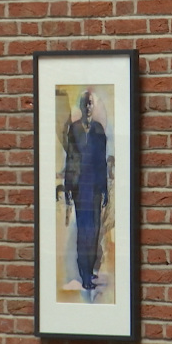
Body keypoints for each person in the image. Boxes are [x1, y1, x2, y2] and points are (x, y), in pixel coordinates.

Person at [64, 91, 108, 291]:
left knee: (95, 230)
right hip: (81, 187)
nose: (88, 107)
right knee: (84, 232)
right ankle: (84, 276)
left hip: (96, 187)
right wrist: (68, 188)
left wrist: (105, 189)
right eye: (85, 104)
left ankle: (90, 271)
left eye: (90, 103)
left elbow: (102, 162)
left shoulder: (99, 130)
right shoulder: (74, 129)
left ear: (93, 106)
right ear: (81, 107)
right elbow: (70, 159)